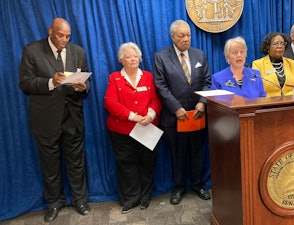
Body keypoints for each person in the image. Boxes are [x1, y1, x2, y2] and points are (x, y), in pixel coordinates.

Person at [19, 18, 90, 222]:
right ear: (51, 31)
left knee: (77, 163)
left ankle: (80, 200)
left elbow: (87, 82)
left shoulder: (79, 52)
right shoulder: (31, 51)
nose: (64, 40)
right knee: (50, 165)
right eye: (60, 35)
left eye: (68, 36)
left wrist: (83, 87)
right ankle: (54, 203)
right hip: (46, 119)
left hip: (73, 118)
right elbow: (25, 83)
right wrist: (51, 82)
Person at [153, 19, 211, 205]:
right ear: (172, 37)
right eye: (181, 36)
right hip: (174, 117)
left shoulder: (199, 55)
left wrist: (202, 102)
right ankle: (178, 188)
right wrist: (176, 108)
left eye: (188, 35)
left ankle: (198, 185)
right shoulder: (161, 57)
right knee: (177, 155)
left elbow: (207, 82)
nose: (186, 39)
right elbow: (160, 86)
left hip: (197, 114)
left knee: (196, 152)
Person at [104, 42, 162, 213]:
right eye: (128, 56)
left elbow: (156, 101)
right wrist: (132, 116)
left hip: (147, 128)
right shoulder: (114, 78)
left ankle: (145, 196)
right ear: (121, 60)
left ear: (140, 58)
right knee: (126, 165)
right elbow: (110, 102)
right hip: (122, 130)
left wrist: (150, 115)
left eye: (135, 56)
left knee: (147, 163)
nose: (132, 59)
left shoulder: (149, 77)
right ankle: (131, 198)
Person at [252, 32, 294, 97]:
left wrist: (286, 98)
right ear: (268, 47)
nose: (280, 46)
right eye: (275, 44)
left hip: (291, 102)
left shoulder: (292, 63)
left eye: (282, 43)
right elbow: (257, 89)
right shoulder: (258, 64)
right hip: (268, 104)